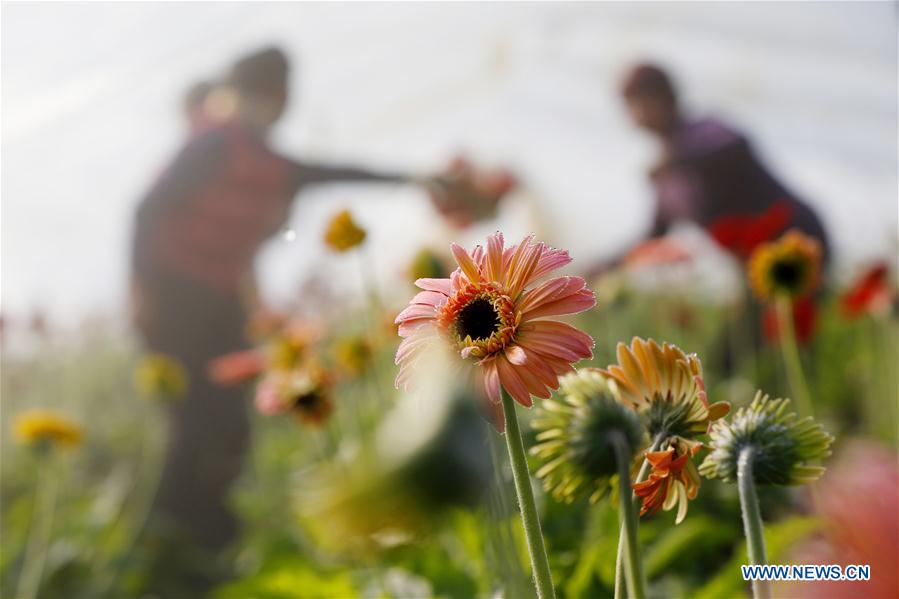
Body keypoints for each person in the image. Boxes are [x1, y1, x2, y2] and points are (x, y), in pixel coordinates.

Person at [130, 46, 460, 591]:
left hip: (217, 302)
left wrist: (417, 179)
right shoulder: (216, 143)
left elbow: (334, 171)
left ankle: (209, 552)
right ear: (274, 94)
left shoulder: (265, 158)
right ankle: (164, 556)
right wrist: (141, 293)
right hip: (175, 298)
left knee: (229, 428)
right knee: (192, 428)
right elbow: (147, 210)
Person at [596, 63, 830, 272]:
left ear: (662, 97)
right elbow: (651, 236)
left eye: (635, 100)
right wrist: (603, 267)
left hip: (798, 239)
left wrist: (676, 159)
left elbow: (735, 145)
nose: (632, 112)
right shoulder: (667, 180)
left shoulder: (705, 130)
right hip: (756, 264)